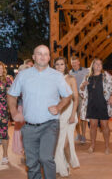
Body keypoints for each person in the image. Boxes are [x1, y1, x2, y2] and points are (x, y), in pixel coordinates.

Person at [7, 45, 72, 179]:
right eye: (39, 54)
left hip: (50, 125)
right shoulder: (23, 75)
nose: (42, 57)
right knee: (32, 164)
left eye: (45, 54)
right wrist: (14, 112)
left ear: (49, 57)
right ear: (33, 57)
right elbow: (11, 95)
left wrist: (59, 107)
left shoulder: (57, 76)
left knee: (46, 158)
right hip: (29, 127)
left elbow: (68, 96)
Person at [80, 58, 112, 154]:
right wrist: (83, 85)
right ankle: (92, 146)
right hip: (91, 104)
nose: (98, 65)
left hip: (103, 104)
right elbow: (81, 90)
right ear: (92, 65)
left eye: (100, 64)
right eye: (96, 64)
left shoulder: (106, 75)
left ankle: (107, 146)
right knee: (93, 126)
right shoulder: (87, 77)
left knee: (105, 126)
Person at [54, 57, 80, 177]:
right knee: (58, 143)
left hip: (69, 112)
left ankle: (68, 164)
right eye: (57, 65)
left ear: (65, 66)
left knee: (65, 144)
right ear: (54, 66)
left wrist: (73, 114)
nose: (59, 66)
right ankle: (62, 167)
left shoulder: (70, 78)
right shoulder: (52, 79)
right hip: (56, 113)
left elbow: (75, 98)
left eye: (62, 64)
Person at [12, 64, 30, 164]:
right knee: (22, 133)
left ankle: (29, 153)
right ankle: (25, 152)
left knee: (31, 132)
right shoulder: (17, 82)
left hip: (32, 109)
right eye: (22, 71)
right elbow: (13, 97)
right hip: (21, 109)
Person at [69, 56, 89, 144]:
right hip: (73, 97)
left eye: (75, 62)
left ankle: (84, 135)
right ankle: (78, 134)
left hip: (83, 96)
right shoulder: (70, 72)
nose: (74, 64)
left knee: (83, 117)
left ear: (78, 62)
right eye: (72, 63)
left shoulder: (86, 71)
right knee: (75, 117)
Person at [0, 61, 13, 165]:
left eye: (1, 68)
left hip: (3, 110)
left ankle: (5, 155)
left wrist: (11, 109)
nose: (0, 70)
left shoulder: (7, 80)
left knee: (4, 133)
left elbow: (10, 96)